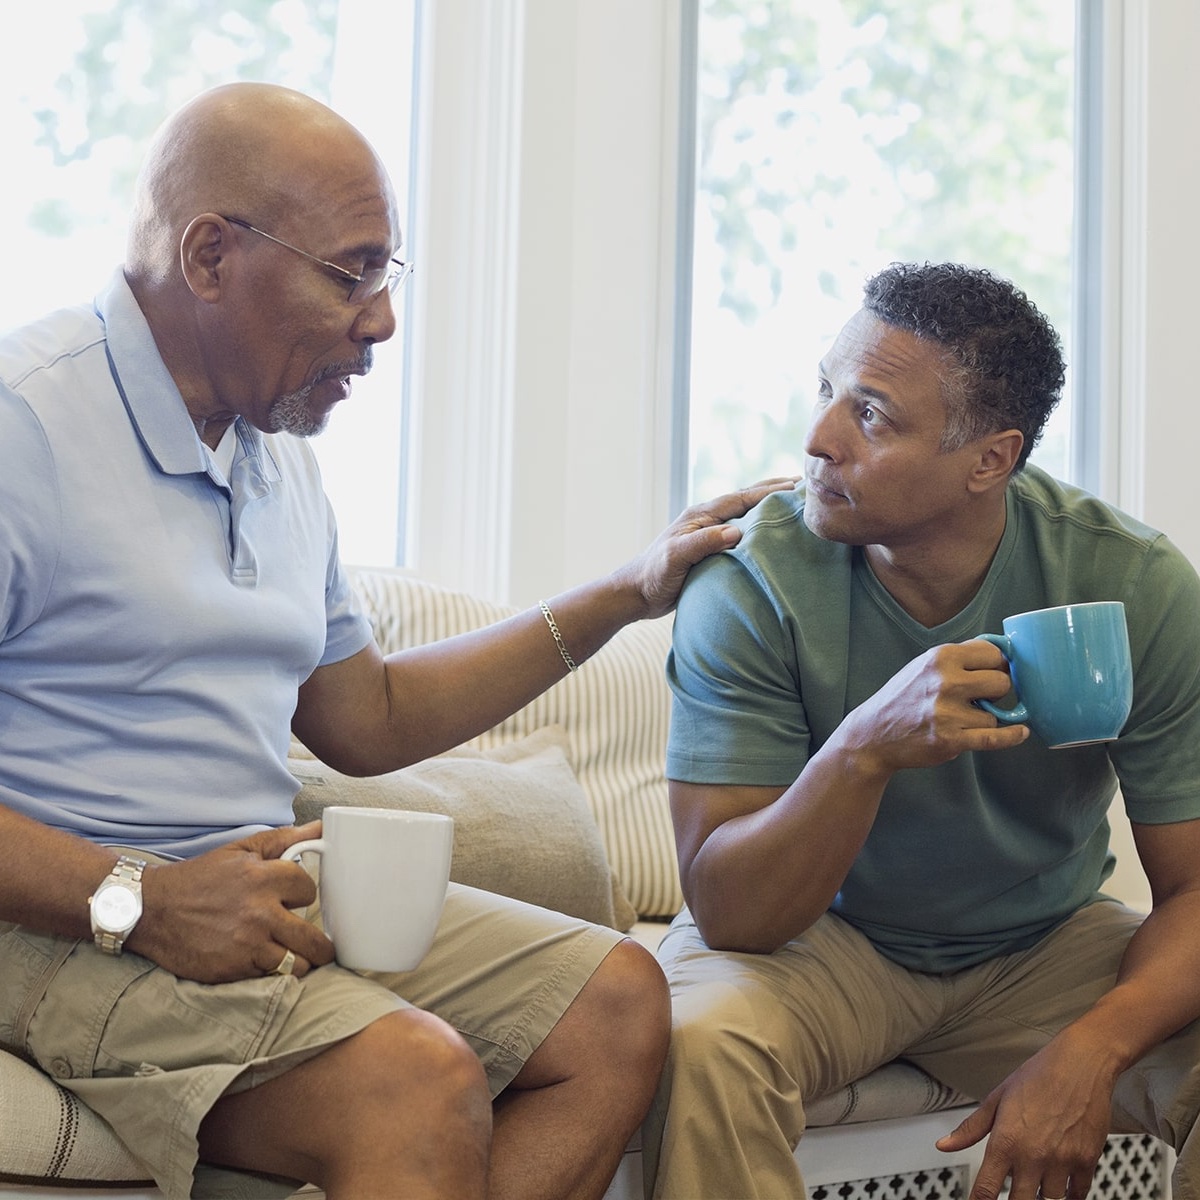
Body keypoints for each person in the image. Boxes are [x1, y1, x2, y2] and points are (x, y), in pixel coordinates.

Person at [0, 82, 789, 1200]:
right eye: (351, 271)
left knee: (616, 1004)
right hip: (60, 918)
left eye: (387, 274)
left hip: (247, 891)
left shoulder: (277, 456)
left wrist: (626, 590)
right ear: (211, 255)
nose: (380, 319)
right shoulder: (23, 426)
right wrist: (145, 900)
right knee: (414, 1080)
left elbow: (364, 718)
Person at [644, 261, 1200, 1200]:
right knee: (699, 1042)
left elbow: (1194, 889)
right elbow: (733, 912)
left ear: (990, 459)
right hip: (815, 946)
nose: (817, 440)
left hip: (1043, 944)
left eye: (870, 414)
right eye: (826, 391)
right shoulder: (751, 580)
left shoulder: (1132, 585)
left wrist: (1093, 1047)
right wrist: (863, 749)